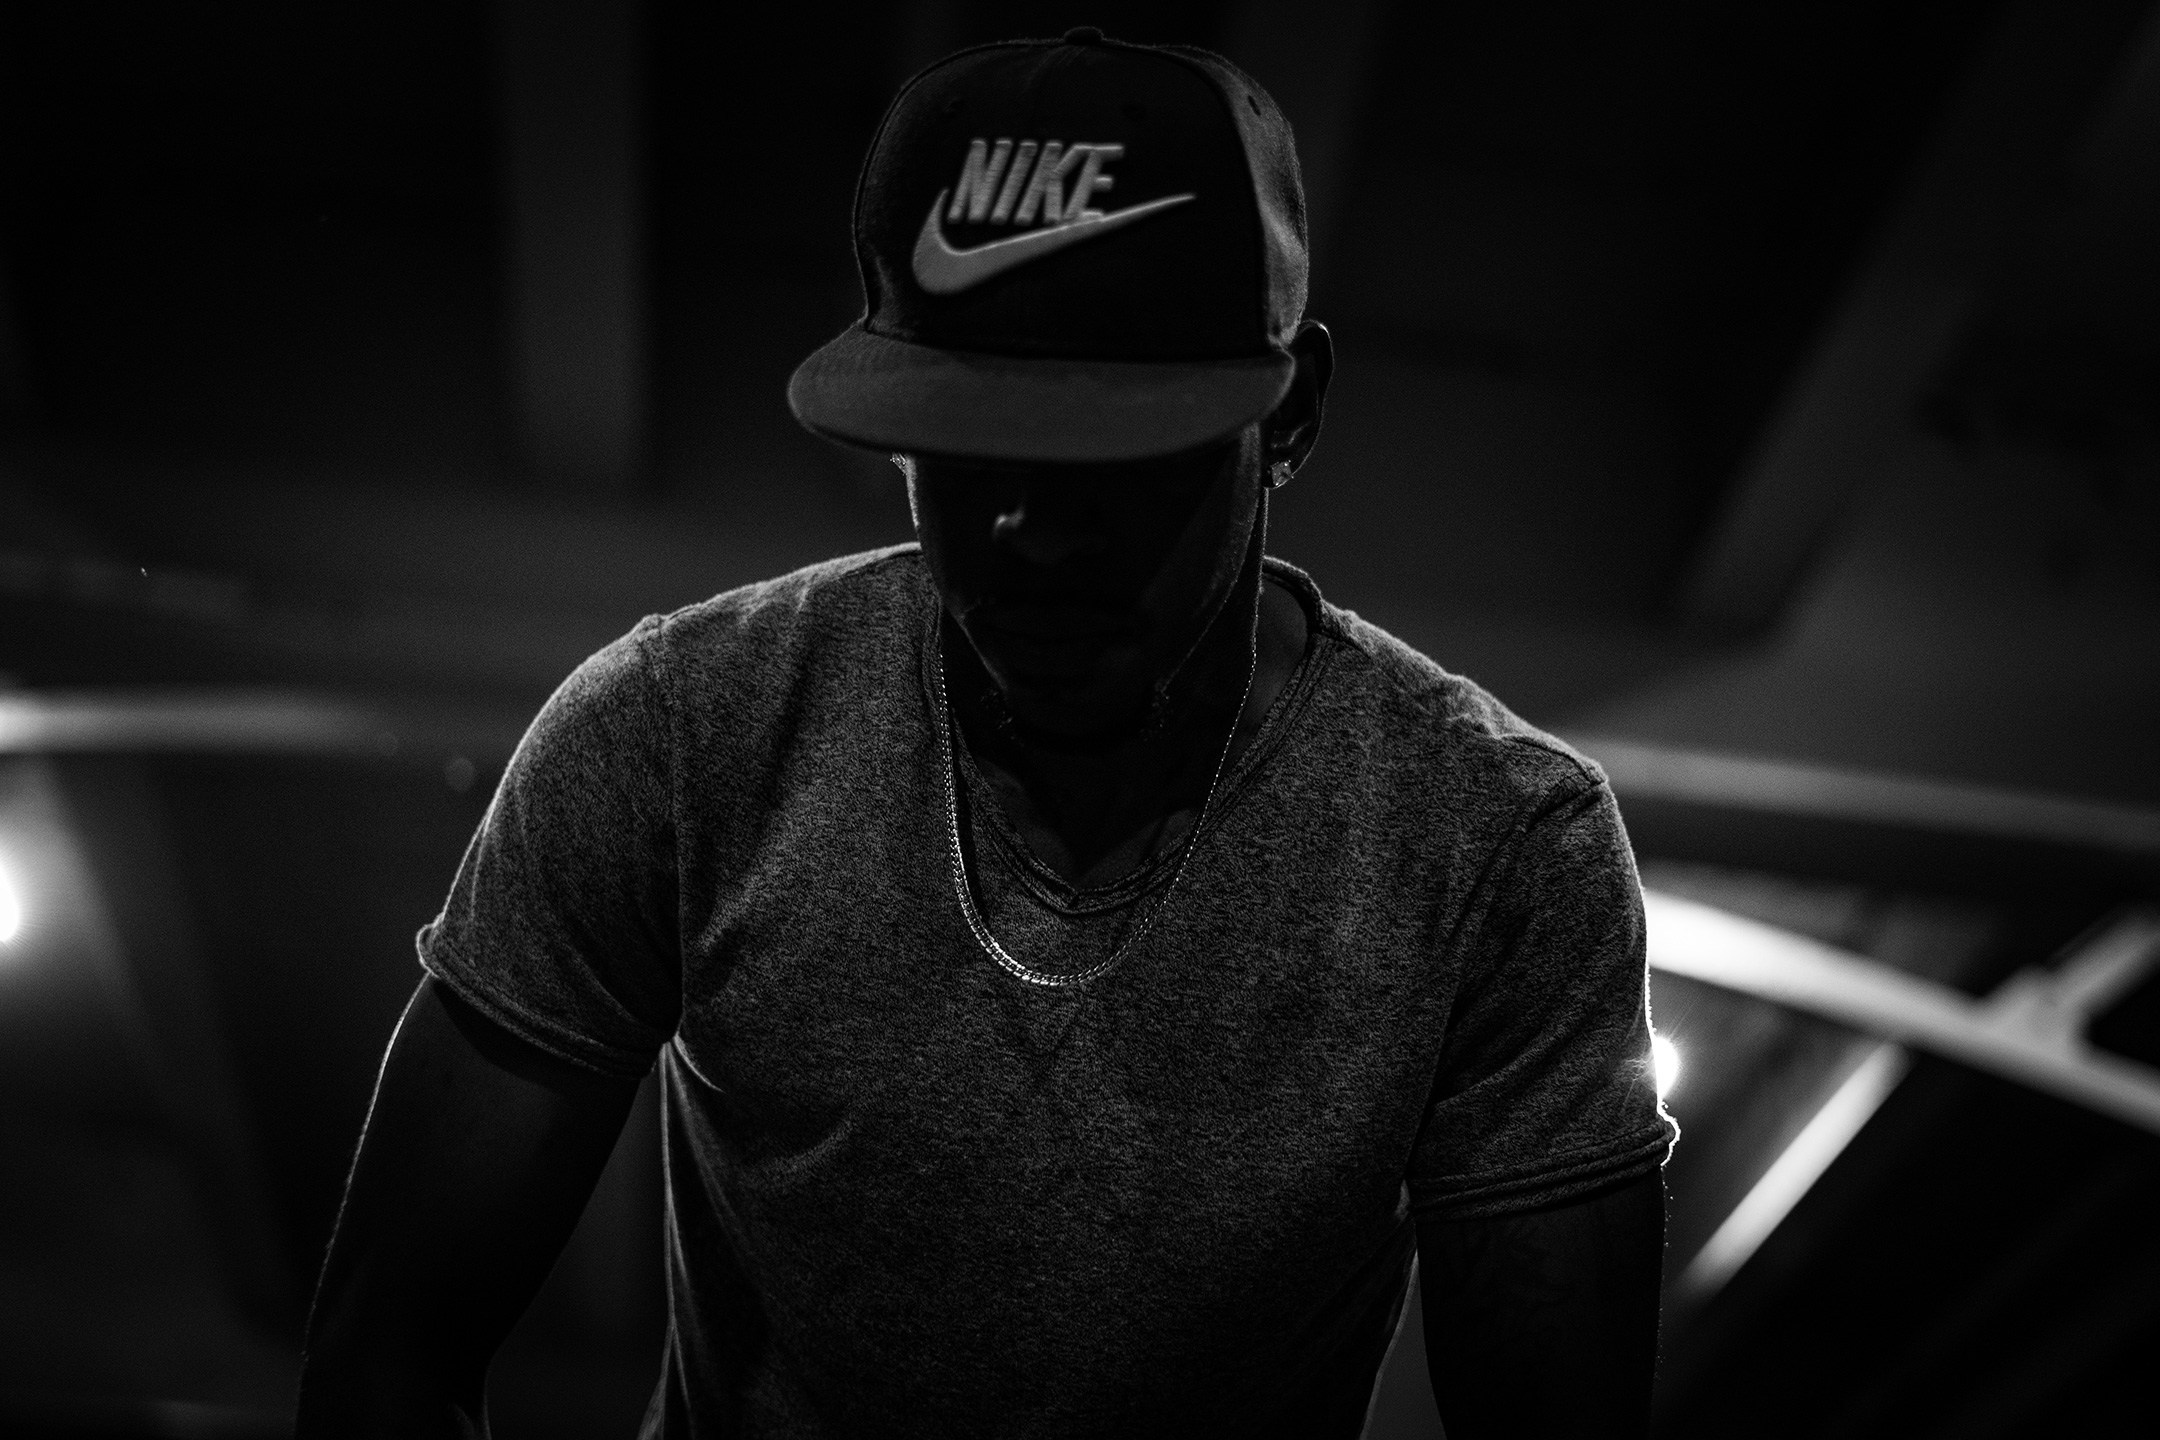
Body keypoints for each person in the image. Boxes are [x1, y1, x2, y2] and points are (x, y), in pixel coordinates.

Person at [296, 29, 1675, 1440]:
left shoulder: (1496, 852)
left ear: (1291, 417)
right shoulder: (682, 732)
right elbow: (382, 1361)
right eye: (969, 451)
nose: (1031, 531)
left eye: (1115, 457)